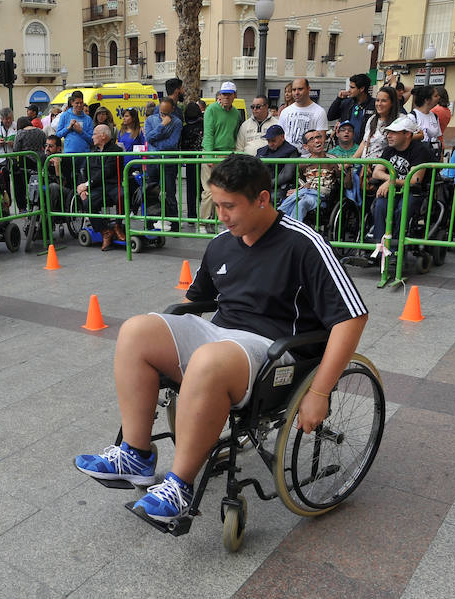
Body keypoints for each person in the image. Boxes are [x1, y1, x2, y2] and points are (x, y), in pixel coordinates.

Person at [74, 153, 368, 522]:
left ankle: (180, 486)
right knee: (136, 330)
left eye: (229, 206)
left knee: (208, 361)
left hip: (273, 350)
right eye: (216, 205)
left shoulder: (304, 244)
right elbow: (193, 302)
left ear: (263, 199)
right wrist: (167, 342)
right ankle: (136, 454)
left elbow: (352, 317)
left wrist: (320, 392)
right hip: (220, 332)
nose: (221, 215)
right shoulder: (222, 242)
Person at [369, 116, 433, 243]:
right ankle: (379, 246)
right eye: (388, 132)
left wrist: (390, 181)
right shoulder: (388, 150)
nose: (389, 136)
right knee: (380, 206)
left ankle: (396, 247)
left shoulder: (420, 150)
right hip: (392, 190)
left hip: (413, 191)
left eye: (394, 132)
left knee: (402, 209)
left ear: (407, 134)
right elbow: (376, 173)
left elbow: (414, 180)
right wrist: (390, 181)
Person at [200, 81, 242, 231]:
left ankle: (216, 221)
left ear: (234, 96)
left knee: (224, 191)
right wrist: (210, 156)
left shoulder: (236, 112)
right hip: (212, 153)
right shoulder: (211, 109)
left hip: (227, 155)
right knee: (209, 191)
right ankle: (203, 223)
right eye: (224, 94)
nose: (226, 97)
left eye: (229, 94)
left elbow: (235, 134)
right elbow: (209, 133)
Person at [76, 125, 123, 250]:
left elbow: (106, 172)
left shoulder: (116, 151)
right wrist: (81, 188)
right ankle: (105, 231)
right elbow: (82, 170)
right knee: (87, 203)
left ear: (103, 136)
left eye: (94, 134)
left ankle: (118, 226)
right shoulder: (93, 151)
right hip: (97, 188)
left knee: (122, 196)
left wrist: (87, 185)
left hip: (112, 185)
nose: (92, 137)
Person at [278, 130, 341, 221]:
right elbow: (301, 181)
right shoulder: (303, 164)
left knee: (301, 202)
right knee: (289, 202)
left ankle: (294, 231)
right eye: (312, 139)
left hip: (322, 197)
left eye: (318, 137)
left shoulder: (333, 160)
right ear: (306, 146)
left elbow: (343, 182)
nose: (316, 141)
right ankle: (279, 225)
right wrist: (301, 189)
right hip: (306, 193)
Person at [144, 98, 182, 230]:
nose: (164, 115)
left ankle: (174, 224)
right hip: (153, 159)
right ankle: (151, 222)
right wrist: (162, 125)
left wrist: (156, 143)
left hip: (168, 161)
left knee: (169, 192)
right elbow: (148, 138)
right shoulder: (151, 120)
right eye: (162, 113)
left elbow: (172, 143)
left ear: (172, 109)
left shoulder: (177, 122)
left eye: (166, 113)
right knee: (151, 191)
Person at [278, 78, 328, 156]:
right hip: (287, 158)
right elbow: (279, 137)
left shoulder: (319, 111)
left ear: (309, 89)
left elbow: (321, 141)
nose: (296, 92)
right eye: (294, 90)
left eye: (300, 89)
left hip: (309, 160)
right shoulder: (285, 112)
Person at [57, 91, 95, 189]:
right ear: (72, 103)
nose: (79, 105)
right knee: (69, 181)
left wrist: (81, 131)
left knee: (82, 179)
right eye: (77, 103)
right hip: (69, 154)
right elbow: (58, 134)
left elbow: (92, 140)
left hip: (83, 155)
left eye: (81, 103)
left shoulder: (88, 119)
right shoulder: (65, 116)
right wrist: (68, 127)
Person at [327, 73, 376, 144]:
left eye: (352, 87)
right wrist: (338, 99)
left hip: (363, 147)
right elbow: (330, 117)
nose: (349, 90)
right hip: (345, 147)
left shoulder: (374, 105)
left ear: (362, 89)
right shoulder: (347, 103)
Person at [13, 115, 47, 211]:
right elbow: (45, 144)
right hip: (40, 160)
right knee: (39, 182)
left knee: (23, 184)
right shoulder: (40, 132)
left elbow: (16, 149)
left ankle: (24, 207)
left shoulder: (20, 133)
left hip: (26, 162)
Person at [180, 102, 204, 224]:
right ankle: (205, 214)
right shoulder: (204, 125)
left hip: (190, 160)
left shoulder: (184, 128)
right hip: (203, 159)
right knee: (203, 188)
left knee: (191, 190)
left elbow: (182, 145)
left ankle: (191, 216)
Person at [407, 86, 442, 160]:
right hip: (418, 157)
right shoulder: (412, 117)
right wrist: (419, 136)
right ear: (427, 100)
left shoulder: (435, 116)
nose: (439, 97)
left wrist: (441, 156)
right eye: (435, 96)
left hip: (433, 156)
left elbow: (439, 138)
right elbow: (405, 137)